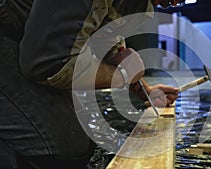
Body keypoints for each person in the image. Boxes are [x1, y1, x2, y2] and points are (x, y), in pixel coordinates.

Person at [0, 0, 181, 168]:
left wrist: (142, 87)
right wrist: (123, 75)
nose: (176, 2)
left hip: (28, 38)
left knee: (80, 138)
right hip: (9, 31)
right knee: (60, 147)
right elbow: (47, 65)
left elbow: (101, 36)